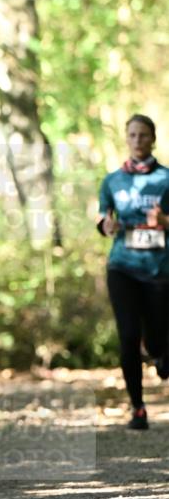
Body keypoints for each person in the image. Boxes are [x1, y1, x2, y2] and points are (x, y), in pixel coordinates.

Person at [97, 114, 169, 429]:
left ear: (153, 138)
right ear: (126, 139)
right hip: (122, 266)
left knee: (155, 339)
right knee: (127, 335)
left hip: (159, 269)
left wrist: (165, 222)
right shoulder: (112, 180)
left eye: (143, 135)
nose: (137, 140)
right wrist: (106, 224)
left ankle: (157, 351)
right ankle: (138, 408)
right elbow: (103, 218)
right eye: (132, 135)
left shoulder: (166, 179)